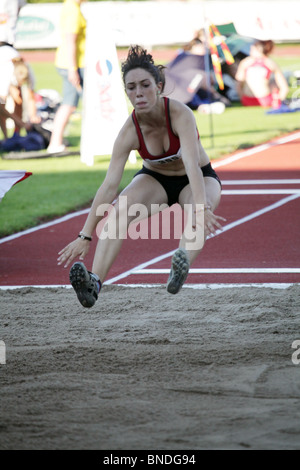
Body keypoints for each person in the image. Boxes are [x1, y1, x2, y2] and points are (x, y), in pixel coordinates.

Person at [57, 45, 225, 308]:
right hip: (154, 179)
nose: (138, 93)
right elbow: (109, 185)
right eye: (131, 88)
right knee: (119, 211)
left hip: (198, 177)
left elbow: (192, 164)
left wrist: (202, 207)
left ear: (158, 85)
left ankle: (179, 266)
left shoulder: (180, 114)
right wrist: (85, 234)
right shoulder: (129, 131)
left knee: (197, 213)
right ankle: (94, 283)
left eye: (145, 85)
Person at [47, 0, 86, 153]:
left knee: (69, 104)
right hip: (73, 64)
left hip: (70, 63)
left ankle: (55, 142)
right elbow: (71, 41)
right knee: (70, 104)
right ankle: (55, 143)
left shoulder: (70, 6)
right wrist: (72, 69)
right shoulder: (72, 9)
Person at [235, 39, 289, 107]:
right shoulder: (270, 63)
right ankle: (276, 100)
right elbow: (284, 87)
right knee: (273, 83)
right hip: (266, 100)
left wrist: (241, 97)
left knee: (272, 82)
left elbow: (238, 83)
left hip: (247, 100)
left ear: (258, 49)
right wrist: (279, 99)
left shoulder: (246, 62)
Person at [0, 0, 27, 138]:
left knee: (18, 96)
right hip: (4, 48)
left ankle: (14, 135)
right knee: (2, 101)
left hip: (9, 47)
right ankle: (9, 135)